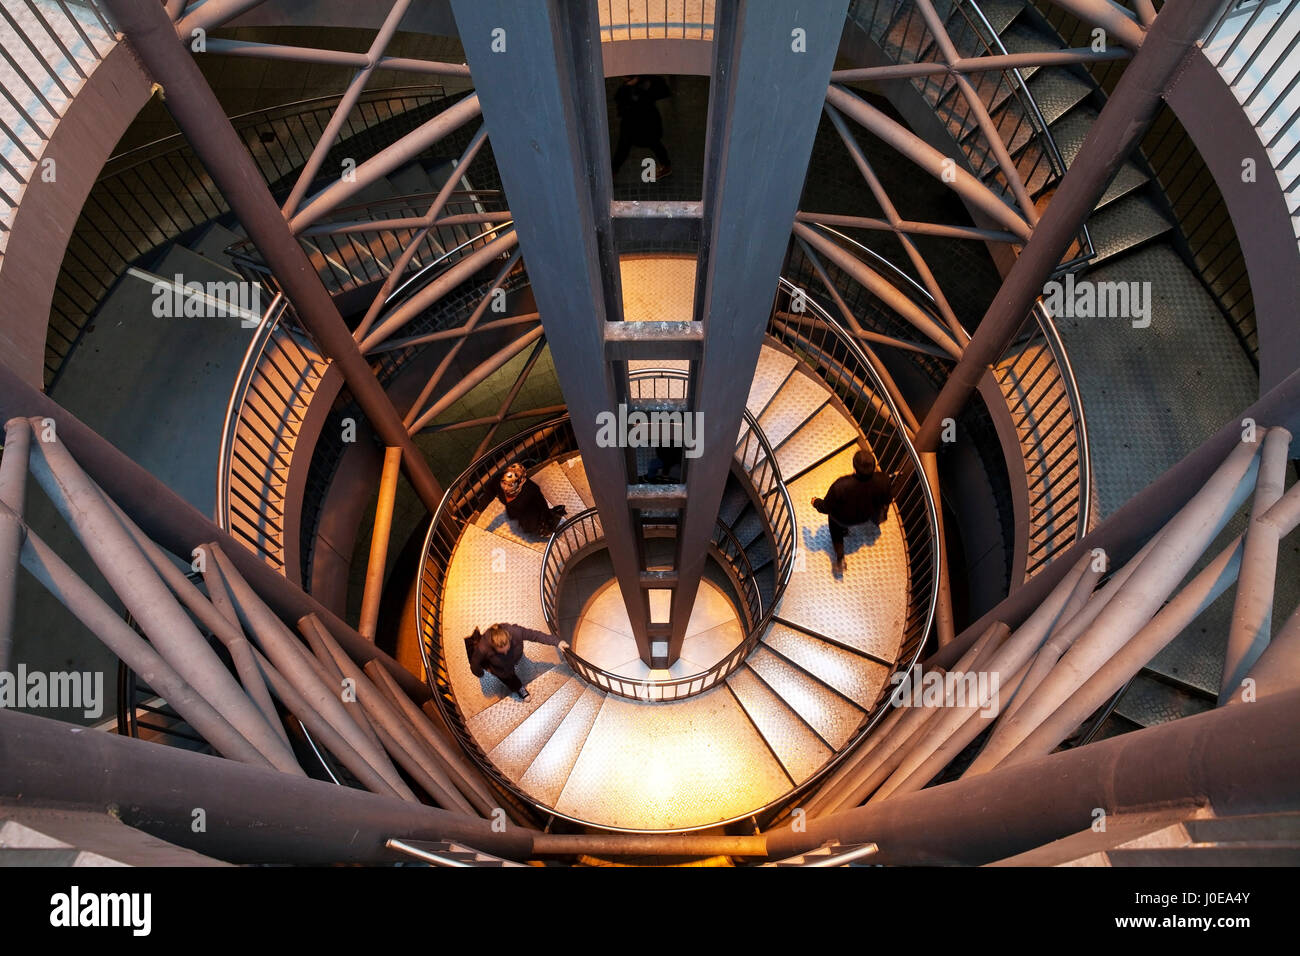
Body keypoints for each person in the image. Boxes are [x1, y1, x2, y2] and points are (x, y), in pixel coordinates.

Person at [811, 449, 893, 570]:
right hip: (865, 516)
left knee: (835, 530)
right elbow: (887, 500)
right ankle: (844, 534)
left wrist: (816, 502)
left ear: (854, 466)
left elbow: (826, 508)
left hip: (842, 518)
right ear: (874, 466)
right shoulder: (884, 480)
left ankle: (840, 558)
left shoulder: (841, 485)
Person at [467, 623, 568, 701]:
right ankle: (519, 688)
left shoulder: (516, 632)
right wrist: (482, 673)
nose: (506, 652)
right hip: (501, 670)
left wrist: (557, 642)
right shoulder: (483, 647)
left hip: (514, 660)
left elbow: (536, 635)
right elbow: (474, 665)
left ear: (509, 638)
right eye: (501, 651)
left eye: (507, 648)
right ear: (493, 646)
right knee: (510, 679)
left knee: (511, 666)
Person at [611, 75, 672, 181]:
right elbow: (620, 100)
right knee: (624, 147)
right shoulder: (629, 87)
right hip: (633, 122)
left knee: (653, 143)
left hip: (645, 122)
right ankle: (613, 171)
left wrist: (636, 84)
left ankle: (666, 166)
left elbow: (662, 91)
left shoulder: (646, 83)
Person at [497, 463, 566, 537]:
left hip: (528, 519)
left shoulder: (530, 490)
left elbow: (541, 505)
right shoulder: (530, 490)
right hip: (528, 519)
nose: (505, 487)